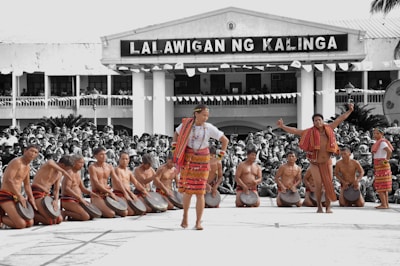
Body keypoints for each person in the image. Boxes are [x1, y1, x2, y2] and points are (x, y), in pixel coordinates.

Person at [276, 103, 354, 213]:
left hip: (327, 161)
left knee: (328, 184)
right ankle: (319, 206)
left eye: (319, 120)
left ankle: (328, 207)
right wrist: (282, 126)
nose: (317, 122)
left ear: (322, 121)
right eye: (315, 120)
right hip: (315, 162)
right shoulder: (309, 132)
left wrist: (350, 111)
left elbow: (340, 119)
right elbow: (295, 131)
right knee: (318, 185)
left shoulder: (329, 128)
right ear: (313, 122)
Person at [173, 104, 229, 230]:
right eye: (204, 115)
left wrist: (219, 157)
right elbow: (176, 134)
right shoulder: (186, 125)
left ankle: (198, 222)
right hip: (188, 159)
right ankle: (185, 216)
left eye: (207, 115)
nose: (206, 118)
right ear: (196, 114)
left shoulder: (208, 128)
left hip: (203, 160)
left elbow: (225, 140)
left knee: (200, 192)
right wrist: (174, 149)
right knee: (188, 192)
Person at [0, 144, 40, 229]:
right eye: (31, 151)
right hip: (6, 195)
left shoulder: (28, 166)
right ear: (25, 151)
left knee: (30, 222)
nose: (33, 153)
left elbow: (27, 184)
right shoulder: (17, 161)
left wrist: (31, 198)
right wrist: (19, 196)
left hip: (16, 196)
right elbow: (9, 180)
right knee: (21, 224)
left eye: (35, 152)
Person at [31, 155, 73, 225]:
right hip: (37, 192)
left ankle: (37, 213)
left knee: (59, 219)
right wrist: (64, 172)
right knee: (50, 221)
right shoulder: (50, 163)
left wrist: (55, 200)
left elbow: (56, 190)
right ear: (62, 165)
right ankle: (32, 215)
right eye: (66, 169)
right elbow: (50, 163)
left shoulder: (59, 174)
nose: (67, 171)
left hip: (47, 195)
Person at [89, 147, 129, 218]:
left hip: (107, 193)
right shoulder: (92, 167)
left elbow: (117, 180)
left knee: (125, 212)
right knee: (111, 214)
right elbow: (96, 183)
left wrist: (125, 192)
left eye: (105, 154)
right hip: (97, 194)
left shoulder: (109, 166)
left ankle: (103, 207)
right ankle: (96, 205)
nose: (104, 156)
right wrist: (110, 192)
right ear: (95, 156)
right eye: (101, 154)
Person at [61, 154, 100, 221]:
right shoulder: (70, 173)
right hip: (68, 200)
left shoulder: (78, 173)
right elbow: (66, 189)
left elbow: (82, 188)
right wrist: (79, 198)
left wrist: (91, 193)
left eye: (83, 163)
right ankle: (65, 213)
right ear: (73, 162)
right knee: (85, 216)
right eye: (80, 162)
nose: (82, 165)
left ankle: (72, 214)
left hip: (78, 200)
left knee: (92, 215)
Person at [113, 151, 148, 216]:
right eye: (123, 159)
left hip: (128, 193)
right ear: (119, 159)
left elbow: (136, 183)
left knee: (145, 209)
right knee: (130, 212)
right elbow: (120, 183)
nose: (124, 161)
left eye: (126, 159)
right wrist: (130, 193)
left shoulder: (129, 171)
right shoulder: (117, 170)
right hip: (120, 193)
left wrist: (144, 190)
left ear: (129, 160)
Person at [371, 127, 393, 209]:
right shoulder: (379, 142)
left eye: (377, 133)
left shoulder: (382, 142)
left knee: (381, 185)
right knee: (383, 186)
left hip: (382, 164)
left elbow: (389, 151)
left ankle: (384, 204)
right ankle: (385, 204)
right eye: (374, 133)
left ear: (381, 134)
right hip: (379, 164)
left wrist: (386, 160)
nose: (375, 135)